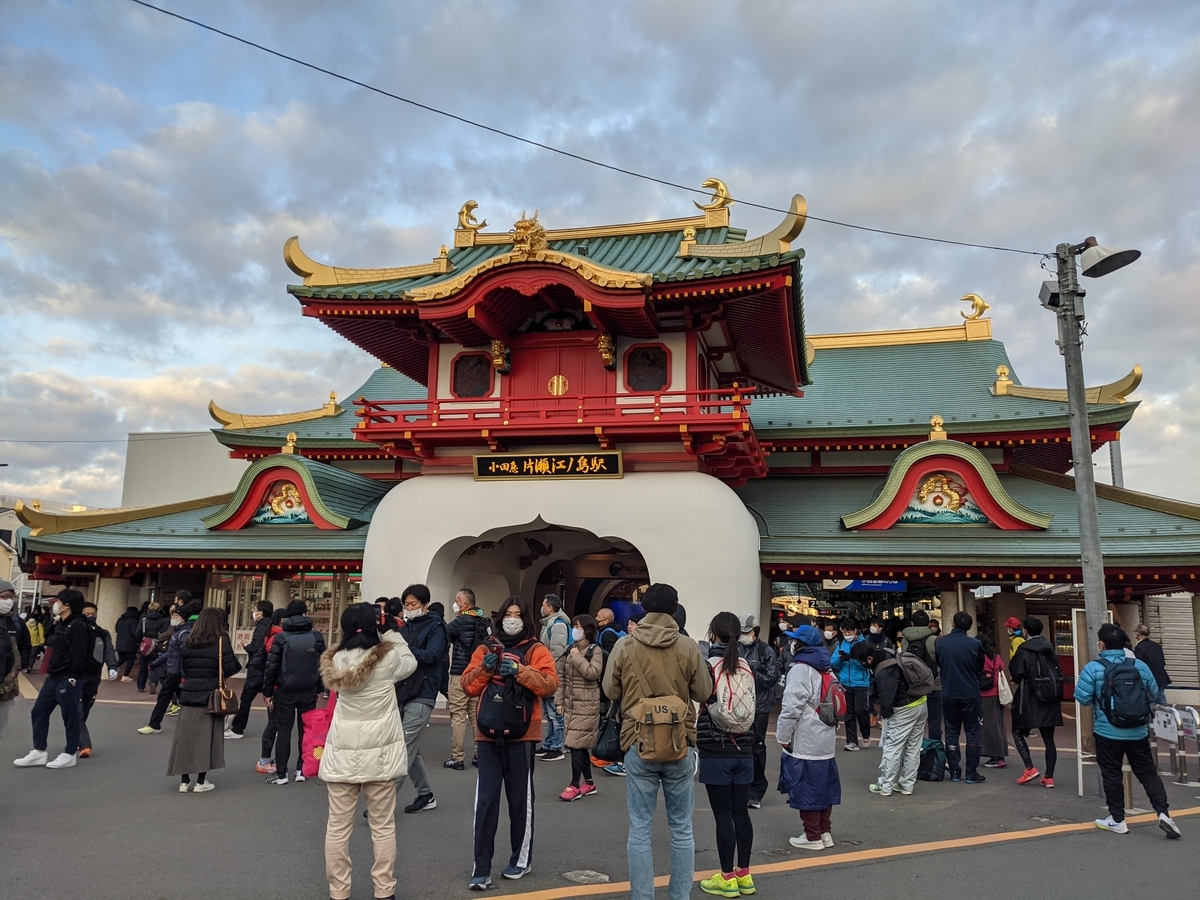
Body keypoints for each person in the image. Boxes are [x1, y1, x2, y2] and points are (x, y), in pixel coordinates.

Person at [602, 583, 712, 900]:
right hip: (680, 741)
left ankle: (643, 896)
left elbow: (610, 690)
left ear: (644, 608)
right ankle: (680, 896)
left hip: (639, 740)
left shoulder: (625, 646)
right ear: (675, 609)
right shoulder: (688, 646)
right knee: (682, 828)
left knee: (640, 829)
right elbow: (703, 692)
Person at [319, 601, 418, 900]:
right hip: (381, 755)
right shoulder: (388, 659)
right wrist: (391, 633)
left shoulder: (336, 661)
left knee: (337, 827)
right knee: (383, 826)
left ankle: (338, 891)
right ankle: (384, 890)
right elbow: (410, 662)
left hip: (342, 753)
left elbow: (343, 649)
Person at [461, 595, 559, 888]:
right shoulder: (485, 647)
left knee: (520, 802)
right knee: (486, 802)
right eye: (508, 614)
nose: (512, 620)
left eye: (517, 615)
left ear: (525, 619)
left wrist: (520, 671)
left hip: (523, 735)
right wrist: (485, 668)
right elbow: (467, 685)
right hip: (488, 734)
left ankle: (521, 859)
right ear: (500, 617)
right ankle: (481, 868)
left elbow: (550, 685)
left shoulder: (536, 649)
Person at [1076, 625, 1180, 838]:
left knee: (1112, 773)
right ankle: (1163, 813)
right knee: (1148, 772)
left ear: (1101, 644)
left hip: (1107, 732)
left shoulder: (1093, 668)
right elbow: (1153, 692)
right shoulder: (1139, 666)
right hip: (1138, 731)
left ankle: (1117, 819)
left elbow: (1083, 698)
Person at [696, 612, 756, 898]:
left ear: (713, 634)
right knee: (741, 812)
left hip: (715, 746)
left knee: (722, 815)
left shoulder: (709, 665)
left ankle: (726, 878)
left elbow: (700, 696)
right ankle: (745, 874)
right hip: (744, 747)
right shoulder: (746, 664)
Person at [777, 624, 840, 851]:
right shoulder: (827, 668)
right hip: (826, 737)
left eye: (795, 640)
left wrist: (783, 735)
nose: (792, 644)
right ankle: (824, 832)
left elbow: (791, 707)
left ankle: (811, 836)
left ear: (801, 645)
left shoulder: (800, 669)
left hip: (806, 737)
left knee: (807, 788)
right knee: (824, 786)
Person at [14, 589, 92, 769]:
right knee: (38, 712)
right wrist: (53, 622)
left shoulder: (79, 626)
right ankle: (39, 751)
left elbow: (81, 655)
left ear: (67, 605)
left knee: (70, 716)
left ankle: (70, 753)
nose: (56, 604)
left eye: (59, 602)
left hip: (69, 677)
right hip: (54, 676)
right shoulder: (61, 624)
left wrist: (73, 677)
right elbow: (49, 640)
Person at [167, 607, 240, 792]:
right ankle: (201, 781)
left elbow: (183, 668)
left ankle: (184, 781)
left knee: (185, 739)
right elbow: (231, 667)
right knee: (207, 739)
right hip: (211, 695)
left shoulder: (188, 641)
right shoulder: (221, 640)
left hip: (189, 694)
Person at [391, 583, 447, 813]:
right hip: (403, 691)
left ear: (425, 604)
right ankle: (426, 795)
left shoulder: (436, 627)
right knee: (411, 749)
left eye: (413, 604)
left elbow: (433, 655)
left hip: (423, 692)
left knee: (403, 748)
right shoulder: (406, 627)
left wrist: (404, 653)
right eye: (406, 604)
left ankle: (383, 801)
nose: (409, 608)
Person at [852, 641, 928, 797]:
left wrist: (884, 716)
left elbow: (886, 701)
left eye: (861, 662)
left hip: (904, 708)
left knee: (892, 748)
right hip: (921, 702)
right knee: (913, 747)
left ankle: (885, 786)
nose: (861, 665)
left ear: (869, 659)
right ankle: (906, 785)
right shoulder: (889, 653)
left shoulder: (884, 672)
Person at [263, 600, 326, 784]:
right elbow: (323, 664)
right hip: (308, 690)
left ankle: (282, 773)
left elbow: (272, 667)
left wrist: (268, 691)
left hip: (285, 691)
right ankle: (302, 770)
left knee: (284, 732)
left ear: (287, 616)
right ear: (305, 614)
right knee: (306, 732)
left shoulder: (281, 637)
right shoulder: (316, 637)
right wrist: (319, 688)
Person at [1007, 617, 1064, 787]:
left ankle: (1029, 767)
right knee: (1049, 739)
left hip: (1029, 697)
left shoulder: (1024, 649)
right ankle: (1049, 776)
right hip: (1050, 698)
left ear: (1025, 631)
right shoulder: (1049, 648)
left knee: (1017, 731)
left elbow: (1016, 673)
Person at [557, 613, 603, 801]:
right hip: (571, 704)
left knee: (575, 743)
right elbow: (562, 677)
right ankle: (589, 783)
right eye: (574, 626)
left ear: (587, 630)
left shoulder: (595, 650)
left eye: (578, 627)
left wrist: (577, 658)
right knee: (579, 744)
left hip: (587, 706)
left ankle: (574, 784)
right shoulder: (570, 649)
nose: (575, 630)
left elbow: (593, 673)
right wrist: (559, 701)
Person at [444, 587, 492, 771]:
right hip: (477, 674)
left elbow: (444, 633)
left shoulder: (460, 621)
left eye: (457, 600)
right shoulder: (482, 621)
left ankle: (457, 757)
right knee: (475, 715)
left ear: (464, 604)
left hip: (459, 674)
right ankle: (480, 755)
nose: (455, 604)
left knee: (458, 715)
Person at [935, 611, 986, 784]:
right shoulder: (975, 644)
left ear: (953, 623)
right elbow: (980, 666)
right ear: (970, 626)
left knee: (951, 731)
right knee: (972, 732)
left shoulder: (941, 642)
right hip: (971, 692)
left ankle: (954, 771)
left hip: (949, 691)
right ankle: (971, 772)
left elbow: (939, 662)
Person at [139, 593, 199, 733]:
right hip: (173, 670)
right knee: (182, 696)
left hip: (176, 671)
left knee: (164, 696)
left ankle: (154, 724)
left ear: (183, 618)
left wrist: (184, 673)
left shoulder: (183, 634)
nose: (173, 618)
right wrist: (155, 663)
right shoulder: (177, 633)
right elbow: (171, 653)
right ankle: (195, 720)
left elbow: (184, 654)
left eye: (176, 616)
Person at [736, 614, 778, 808]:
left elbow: (772, 678)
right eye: (741, 632)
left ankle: (757, 791)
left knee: (756, 748)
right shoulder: (735, 648)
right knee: (738, 747)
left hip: (759, 707)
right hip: (738, 705)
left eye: (748, 631)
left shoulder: (765, 651)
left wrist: (751, 673)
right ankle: (740, 788)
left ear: (755, 631)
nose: (744, 635)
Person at [224, 599, 273, 740]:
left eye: (255, 610)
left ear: (261, 612)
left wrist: (246, 646)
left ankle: (238, 729)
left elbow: (256, 650)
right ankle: (274, 728)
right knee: (270, 700)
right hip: (269, 669)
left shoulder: (261, 629)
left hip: (257, 669)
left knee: (246, 699)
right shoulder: (272, 626)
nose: (254, 612)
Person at [78, 600, 118, 757]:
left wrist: (112, 666)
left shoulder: (102, 633)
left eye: (93, 614)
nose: (90, 616)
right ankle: (84, 745)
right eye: (87, 614)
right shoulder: (76, 631)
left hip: (93, 676)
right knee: (77, 710)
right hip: (76, 675)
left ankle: (76, 736)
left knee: (85, 707)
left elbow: (109, 650)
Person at [829, 616, 871, 751]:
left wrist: (851, 658)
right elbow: (832, 662)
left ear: (855, 630)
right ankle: (851, 741)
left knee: (861, 711)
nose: (847, 634)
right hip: (845, 682)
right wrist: (840, 659)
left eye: (849, 631)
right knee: (848, 713)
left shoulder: (864, 644)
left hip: (861, 682)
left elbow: (867, 664)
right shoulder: (841, 644)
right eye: (845, 631)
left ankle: (866, 734)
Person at [538, 593, 571, 761]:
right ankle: (550, 743)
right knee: (549, 712)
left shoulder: (557, 625)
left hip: (552, 674)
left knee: (555, 713)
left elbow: (557, 654)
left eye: (544, 605)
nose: (542, 608)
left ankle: (557, 746)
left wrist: (549, 673)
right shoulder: (550, 624)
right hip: (547, 673)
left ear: (550, 608)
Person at [255, 608, 287, 774]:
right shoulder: (278, 637)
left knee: (273, 723)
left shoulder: (270, 634)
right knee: (274, 724)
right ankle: (264, 760)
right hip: (276, 687)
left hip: (271, 686)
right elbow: (273, 666)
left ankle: (265, 759)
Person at [901, 611, 941, 741]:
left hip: (913, 686)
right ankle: (934, 748)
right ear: (929, 624)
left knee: (913, 722)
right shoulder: (934, 640)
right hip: (934, 685)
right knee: (934, 722)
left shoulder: (905, 640)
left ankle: (913, 749)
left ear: (912, 623)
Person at [978, 632, 1008, 769]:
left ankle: (997, 756)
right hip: (997, 694)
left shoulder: (980, 657)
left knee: (990, 727)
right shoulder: (996, 657)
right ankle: (999, 754)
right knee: (998, 725)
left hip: (985, 695)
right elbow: (1002, 669)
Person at [136, 600, 170, 692]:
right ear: (158, 610)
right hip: (157, 645)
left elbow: (138, 633)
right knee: (155, 665)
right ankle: (153, 682)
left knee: (143, 666)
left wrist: (139, 643)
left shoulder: (143, 620)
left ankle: (140, 686)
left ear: (148, 610)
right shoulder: (163, 620)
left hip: (145, 645)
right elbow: (164, 634)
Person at [1, 580, 33, 674]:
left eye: (11, 598)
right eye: (5, 597)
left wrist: (20, 664)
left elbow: (25, 646)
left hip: (9, 679)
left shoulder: (17, 622)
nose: (8, 601)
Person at [1133, 624, 1172, 694]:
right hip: (1160, 676)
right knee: (1161, 697)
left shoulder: (1139, 647)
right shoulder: (1156, 645)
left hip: (1149, 677)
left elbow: (1140, 664)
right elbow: (1162, 661)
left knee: (1149, 698)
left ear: (1139, 633)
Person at [114, 606, 141, 681]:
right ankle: (125, 675)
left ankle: (112, 668)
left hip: (120, 642)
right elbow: (135, 632)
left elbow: (116, 629)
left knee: (122, 659)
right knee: (131, 659)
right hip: (130, 643)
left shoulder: (120, 620)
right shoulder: (133, 620)